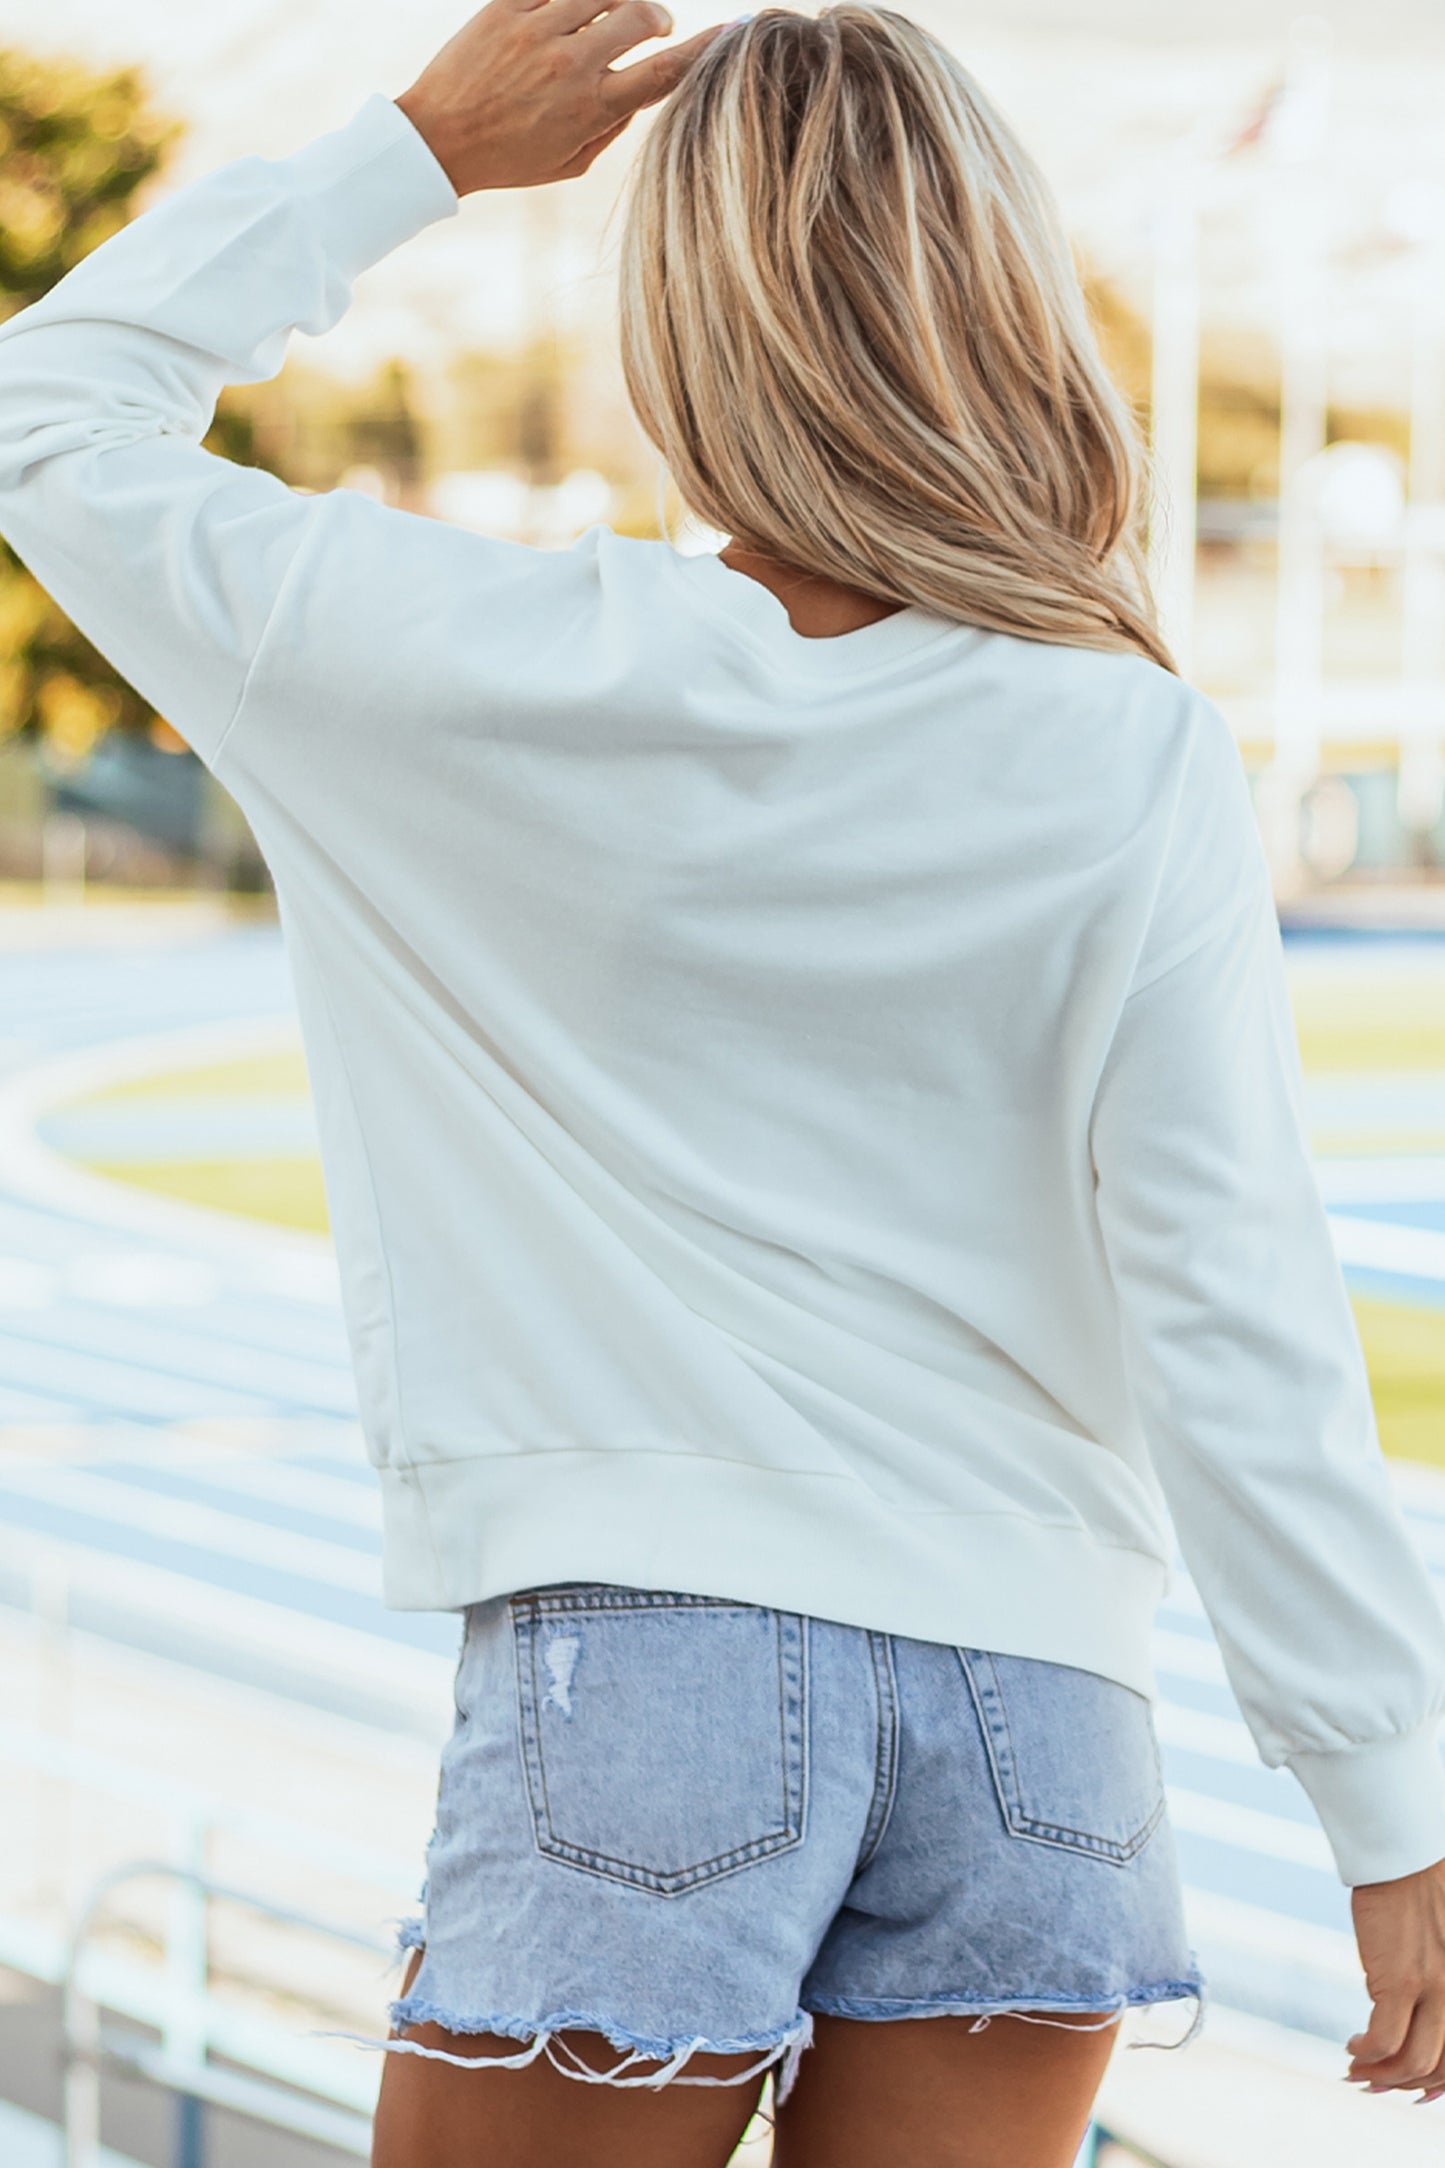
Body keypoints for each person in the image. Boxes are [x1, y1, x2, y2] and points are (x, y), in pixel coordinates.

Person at [1, 3, 1444, 2162]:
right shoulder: (1130, 744)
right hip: (1046, 1713)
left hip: (647, 1683)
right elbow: (1232, 1298)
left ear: (687, 322)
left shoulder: (477, 668)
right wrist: (1393, 1806)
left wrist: (417, 151)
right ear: (995, 298)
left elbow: (49, 415)